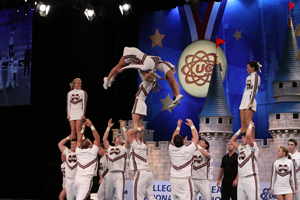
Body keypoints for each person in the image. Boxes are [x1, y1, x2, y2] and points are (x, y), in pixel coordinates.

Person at [118, 62, 158, 129]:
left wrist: (133, 66)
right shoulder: (149, 83)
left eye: (146, 74)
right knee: (139, 126)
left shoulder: (146, 82)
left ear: (148, 76)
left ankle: (137, 140)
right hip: (143, 105)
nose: (145, 74)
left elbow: (142, 73)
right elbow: (141, 73)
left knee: (136, 126)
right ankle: (140, 140)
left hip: (139, 103)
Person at [123, 119, 155, 200]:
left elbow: (129, 133)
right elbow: (140, 138)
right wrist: (140, 130)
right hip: (148, 173)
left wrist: (139, 129)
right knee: (150, 197)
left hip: (141, 173)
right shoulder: (143, 145)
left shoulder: (135, 145)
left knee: (138, 197)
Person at [169, 119, 199, 200]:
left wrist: (178, 126)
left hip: (174, 179)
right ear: (183, 142)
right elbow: (196, 138)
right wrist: (192, 125)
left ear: (174, 143)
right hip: (184, 181)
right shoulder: (188, 149)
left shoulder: (171, 148)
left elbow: (173, 138)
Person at [230, 121, 260, 200]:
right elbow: (232, 141)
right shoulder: (241, 148)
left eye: (244, 138)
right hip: (241, 179)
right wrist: (240, 130)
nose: (242, 139)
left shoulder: (253, 147)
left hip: (251, 177)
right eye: (242, 137)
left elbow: (249, 135)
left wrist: (250, 126)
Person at [73, 118, 100, 200]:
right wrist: (91, 126)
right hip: (86, 180)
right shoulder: (93, 151)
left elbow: (79, 140)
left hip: (77, 179)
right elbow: (97, 138)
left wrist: (83, 128)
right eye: (91, 142)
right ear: (89, 145)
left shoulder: (78, 150)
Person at [103, 118, 129, 200]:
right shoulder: (110, 148)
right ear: (114, 142)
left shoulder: (123, 148)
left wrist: (123, 127)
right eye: (117, 137)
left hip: (119, 174)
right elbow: (104, 139)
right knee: (108, 196)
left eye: (120, 137)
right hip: (110, 173)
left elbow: (128, 140)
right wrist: (108, 127)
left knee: (120, 196)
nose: (119, 138)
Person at [239, 60, 261, 137]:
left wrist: (251, 101)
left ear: (253, 68)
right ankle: (244, 140)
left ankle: (252, 142)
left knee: (248, 121)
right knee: (243, 122)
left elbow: (254, 89)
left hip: (249, 99)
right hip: (244, 100)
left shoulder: (256, 76)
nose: (247, 69)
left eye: (248, 68)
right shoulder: (248, 77)